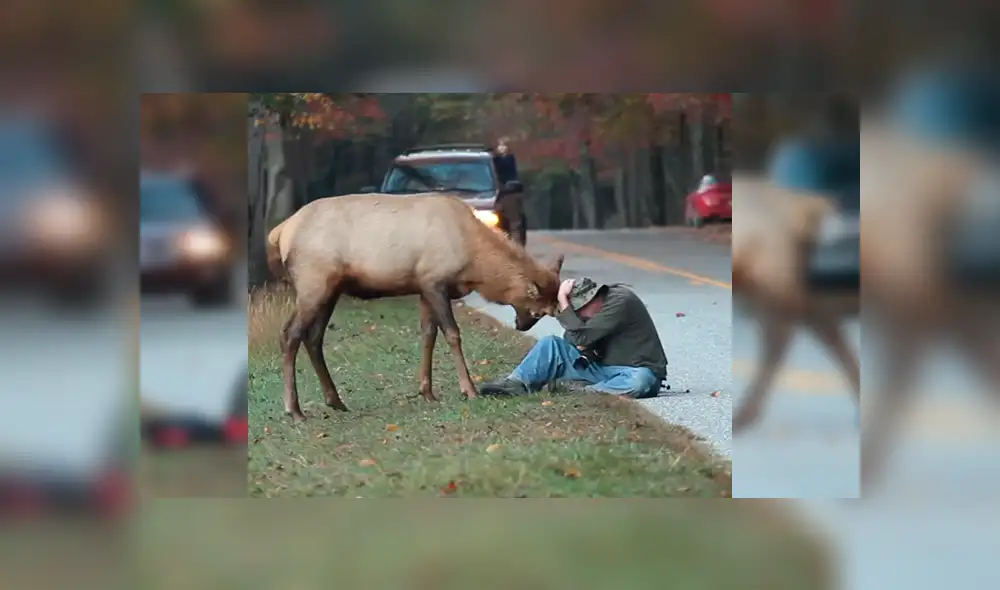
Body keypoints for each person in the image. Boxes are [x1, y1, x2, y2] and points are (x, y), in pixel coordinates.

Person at [479, 277, 668, 399]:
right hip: (598, 369)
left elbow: (580, 337)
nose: (577, 317)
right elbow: (571, 340)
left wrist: (563, 299)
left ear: (593, 299)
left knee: (641, 381)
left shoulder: (620, 301)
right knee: (551, 344)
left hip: (634, 370)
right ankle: (516, 384)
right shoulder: (587, 318)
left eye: (577, 311)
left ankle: (582, 391)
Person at [491, 137, 526, 244]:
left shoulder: (510, 159)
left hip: (508, 192)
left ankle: (514, 244)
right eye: (499, 145)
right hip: (496, 192)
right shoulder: (492, 160)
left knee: (514, 223)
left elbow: (511, 174)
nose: (501, 148)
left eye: (503, 145)